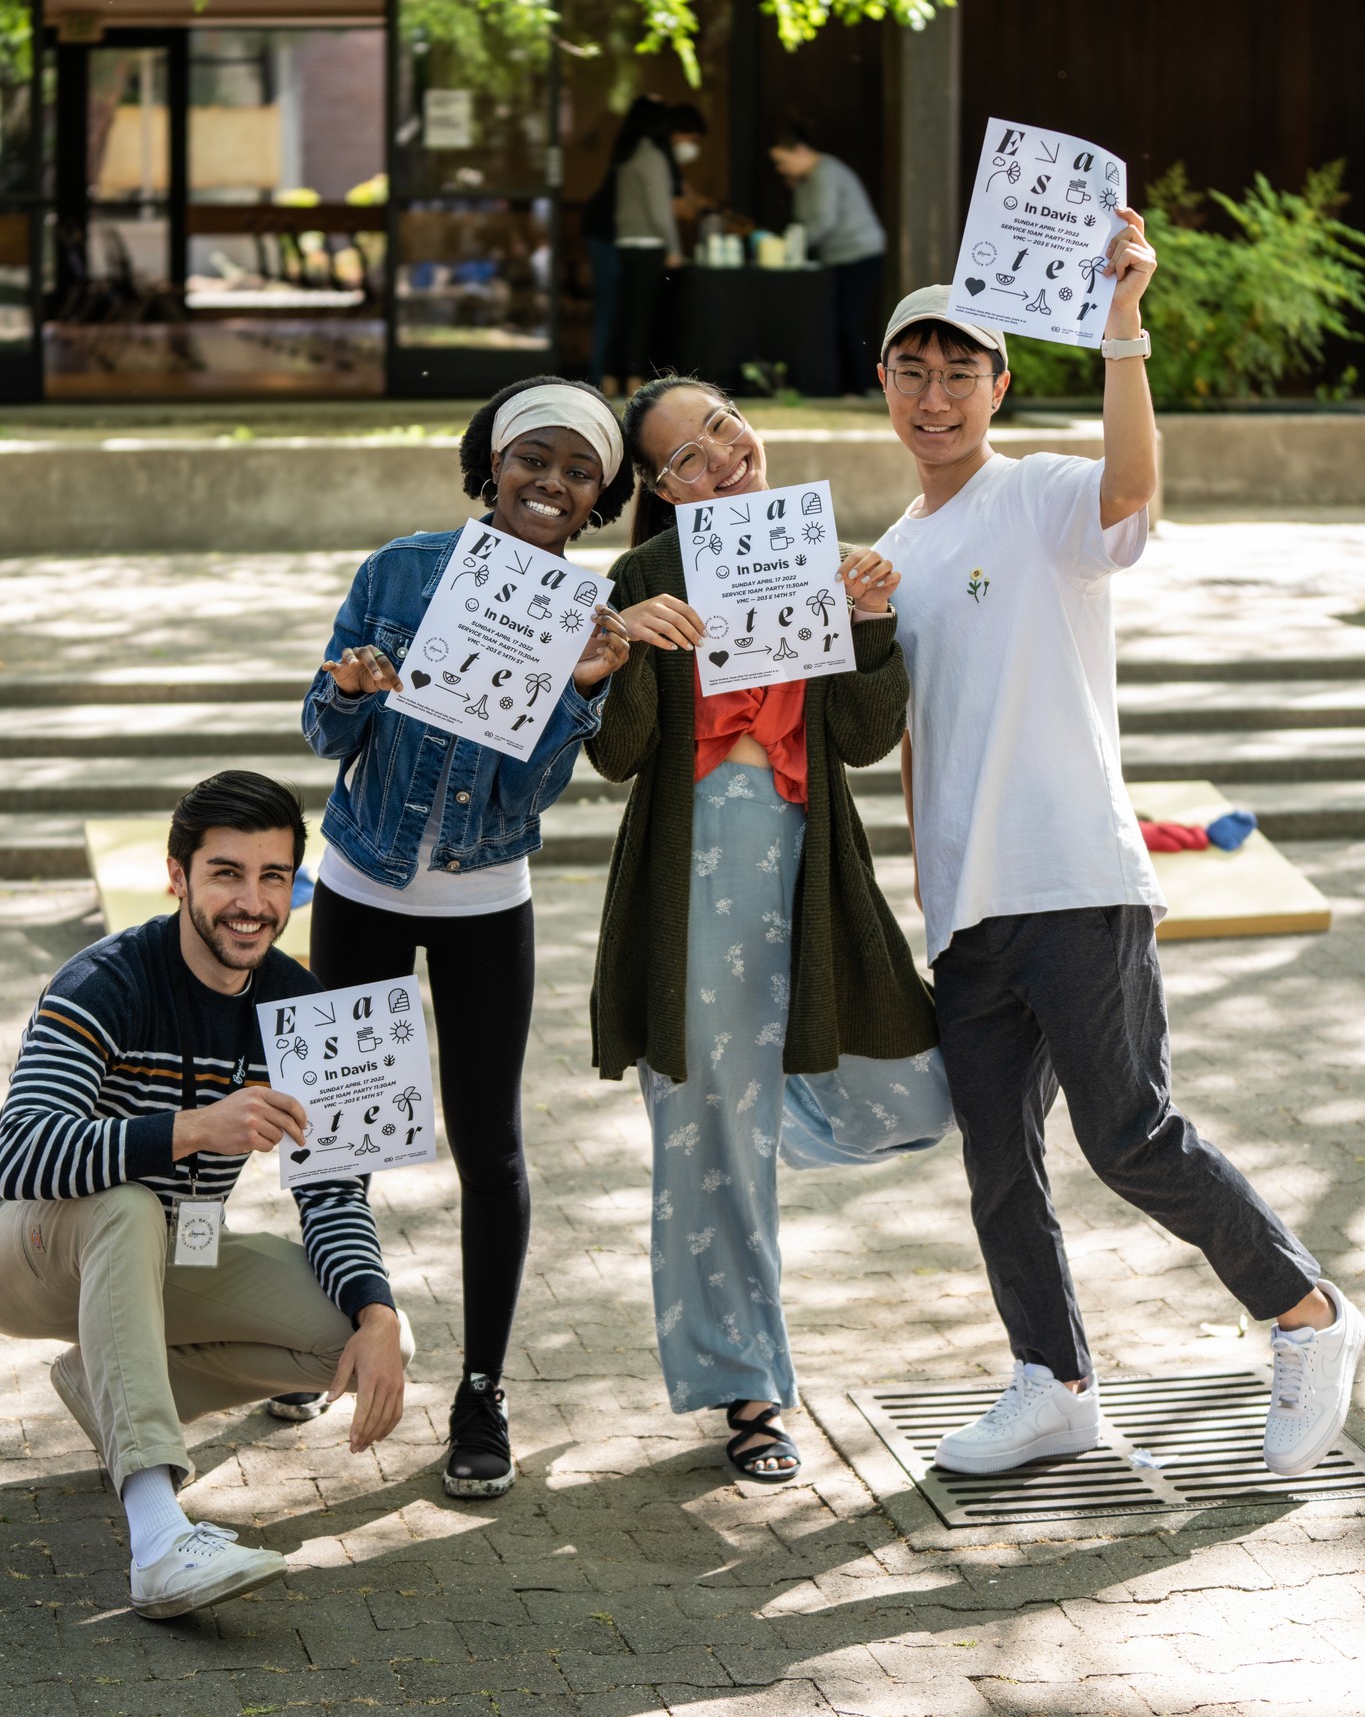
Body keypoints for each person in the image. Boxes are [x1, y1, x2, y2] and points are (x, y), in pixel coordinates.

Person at [873, 227, 1364, 1479]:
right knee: (998, 1167)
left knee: (1131, 1134)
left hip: (1078, 880)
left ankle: (1307, 1312)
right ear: (886, 387)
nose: (935, 398)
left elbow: (1130, 487)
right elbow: (918, 733)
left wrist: (1124, 328)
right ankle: (1054, 1381)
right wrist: (929, 889)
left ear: (998, 388)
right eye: (911, 372)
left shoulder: (1037, 495)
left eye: (959, 373)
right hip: (967, 909)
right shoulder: (898, 550)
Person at [587, 375, 955, 1481]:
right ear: (660, 491)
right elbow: (617, 754)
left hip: (809, 868)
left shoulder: (821, 549)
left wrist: (875, 621)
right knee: (705, 1144)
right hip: (690, 872)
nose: (719, 459)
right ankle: (747, 1388)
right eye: (685, 460)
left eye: (722, 430)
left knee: (921, 1085)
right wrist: (628, 648)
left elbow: (857, 733)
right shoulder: (644, 575)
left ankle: (766, 1107)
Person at [300, 378, 633, 1499]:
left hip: (487, 895)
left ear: (598, 498)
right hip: (360, 877)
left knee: (487, 1146)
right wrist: (349, 690)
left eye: (580, 470)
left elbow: (529, 788)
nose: (552, 482)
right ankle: (322, 1329)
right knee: (334, 1129)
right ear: (492, 460)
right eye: (534, 457)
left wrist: (578, 693)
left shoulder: (581, 614)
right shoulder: (398, 568)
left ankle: (482, 1385)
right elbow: (321, 727)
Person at [0, 771, 413, 1620]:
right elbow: (18, 1153)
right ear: (177, 876)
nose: (251, 903)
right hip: (31, 1250)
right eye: (226, 873)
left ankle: (104, 1387)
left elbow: (332, 1190)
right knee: (128, 1204)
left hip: (153, 1264)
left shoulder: (302, 1005)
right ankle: (156, 1539)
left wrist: (377, 1317)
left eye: (273, 877)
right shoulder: (106, 982)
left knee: (352, 1328)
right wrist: (189, 1129)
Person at [770, 126, 886, 398]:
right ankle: (844, 386)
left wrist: (790, 249)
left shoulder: (826, 174)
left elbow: (822, 223)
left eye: (782, 161)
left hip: (859, 253)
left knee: (847, 320)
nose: (780, 169)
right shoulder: (805, 180)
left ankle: (857, 388)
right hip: (836, 256)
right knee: (836, 320)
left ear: (800, 151)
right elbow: (802, 219)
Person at [613, 96, 682, 392]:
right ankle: (634, 381)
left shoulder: (625, 154)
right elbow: (659, 211)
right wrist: (674, 247)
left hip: (625, 242)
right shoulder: (652, 156)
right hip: (649, 244)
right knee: (643, 318)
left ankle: (612, 378)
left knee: (625, 314)